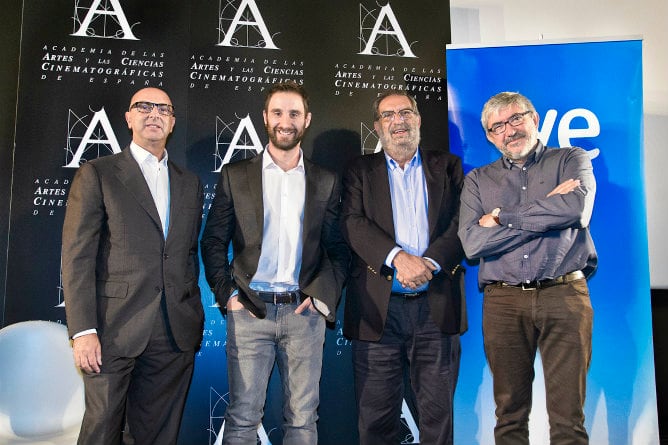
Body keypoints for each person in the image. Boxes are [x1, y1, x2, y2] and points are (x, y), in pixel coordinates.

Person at [200, 81, 349, 445]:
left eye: (294, 114)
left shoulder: (326, 180)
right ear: (265, 118)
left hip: (304, 314)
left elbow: (338, 250)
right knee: (242, 418)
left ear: (307, 120)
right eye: (278, 113)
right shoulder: (236, 175)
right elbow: (213, 241)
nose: (286, 121)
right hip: (250, 311)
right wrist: (228, 296)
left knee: (302, 419)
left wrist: (320, 298)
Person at [61, 87, 204, 445]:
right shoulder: (98, 173)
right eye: (144, 107)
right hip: (113, 328)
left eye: (163, 109)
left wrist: (191, 310)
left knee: (157, 435)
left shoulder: (190, 183)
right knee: (102, 430)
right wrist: (82, 331)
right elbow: (77, 256)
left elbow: (186, 253)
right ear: (129, 118)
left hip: (173, 332)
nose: (154, 114)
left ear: (172, 122)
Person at [458, 91, 597, 445]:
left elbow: (575, 212)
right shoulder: (477, 181)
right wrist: (547, 212)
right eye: (498, 126)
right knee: (509, 416)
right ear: (490, 136)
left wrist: (503, 218)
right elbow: (473, 244)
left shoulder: (570, 159)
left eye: (516, 119)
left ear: (534, 119)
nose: (510, 130)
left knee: (568, 419)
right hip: (503, 303)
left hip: (564, 295)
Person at [340, 91, 466, 445]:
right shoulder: (359, 171)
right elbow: (351, 223)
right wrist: (398, 258)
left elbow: (463, 224)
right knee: (376, 421)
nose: (398, 120)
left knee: (438, 419)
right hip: (378, 312)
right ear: (378, 125)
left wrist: (427, 263)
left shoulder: (449, 166)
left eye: (405, 112)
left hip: (435, 310)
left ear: (418, 119)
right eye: (388, 115)